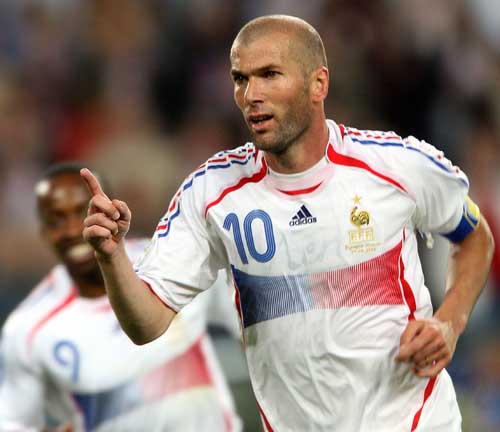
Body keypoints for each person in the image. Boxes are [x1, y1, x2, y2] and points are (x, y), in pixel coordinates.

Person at [80, 15, 495, 432]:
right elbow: (146, 324)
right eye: (240, 79)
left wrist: (449, 322)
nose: (251, 95)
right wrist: (112, 257)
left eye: (269, 75)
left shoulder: (394, 165)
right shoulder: (212, 193)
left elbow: (475, 237)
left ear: (318, 84)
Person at [0, 163, 242, 431]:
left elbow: (252, 325)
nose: (72, 230)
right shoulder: (28, 328)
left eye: (84, 212)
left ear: (111, 209)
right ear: (44, 234)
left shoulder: (174, 264)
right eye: (56, 220)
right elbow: (11, 422)